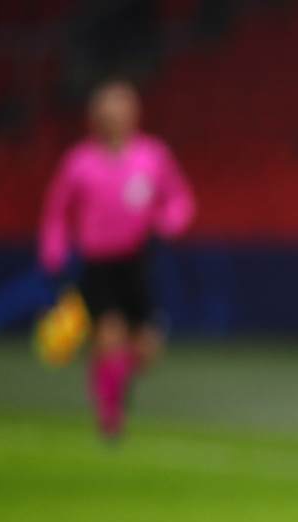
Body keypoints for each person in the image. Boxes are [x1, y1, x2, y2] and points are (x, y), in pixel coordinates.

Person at [38, 79, 196, 439]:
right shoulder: (79, 162)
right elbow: (56, 211)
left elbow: (180, 199)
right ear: (96, 117)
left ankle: (109, 378)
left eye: (122, 109)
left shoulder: (153, 156)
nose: (116, 116)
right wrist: (54, 248)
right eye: (109, 110)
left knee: (145, 349)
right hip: (98, 263)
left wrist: (170, 220)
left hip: (138, 260)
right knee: (110, 335)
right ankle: (109, 414)